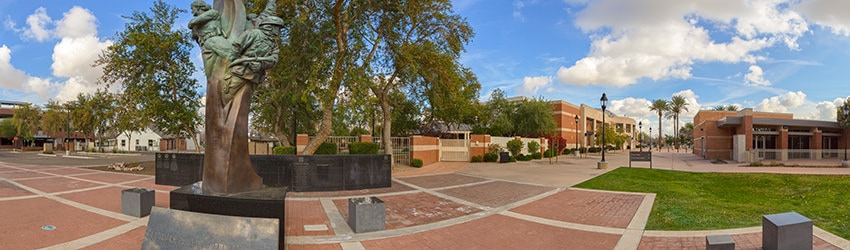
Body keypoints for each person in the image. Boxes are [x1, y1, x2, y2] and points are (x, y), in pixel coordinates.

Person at [222, 16, 284, 103]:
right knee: (227, 97)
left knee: (243, 102)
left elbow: (274, 59)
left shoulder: (274, 44)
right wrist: (230, 63)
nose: (279, 30)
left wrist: (261, 65)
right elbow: (236, 48)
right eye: (278, 28)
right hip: (239, 72)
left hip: (255, 77)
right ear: (270, 27)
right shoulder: (252, 33)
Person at [188, 0, 232, 73]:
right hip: (205, 47)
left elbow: (191, 23)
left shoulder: (212, 13)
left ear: (198, 7)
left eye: (192, 9)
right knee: (210, 74)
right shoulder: (197, 25)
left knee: (231, 56)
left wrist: (193, 26)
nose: (192, 11)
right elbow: (194, 36)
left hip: (214, 39)